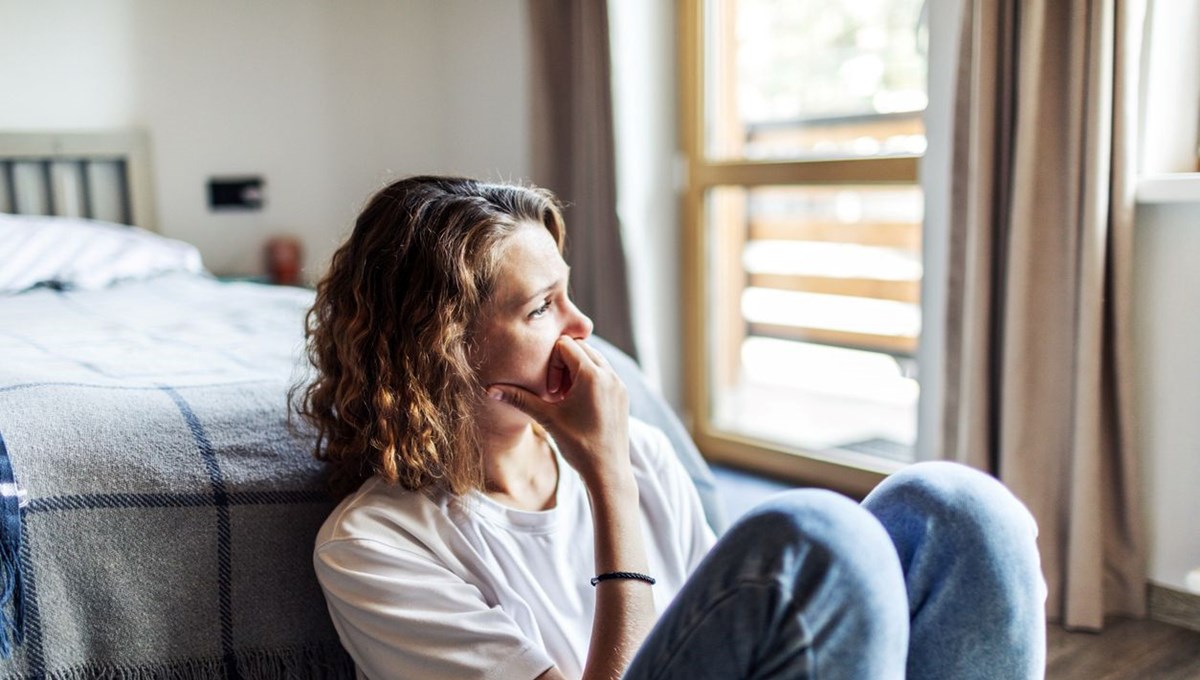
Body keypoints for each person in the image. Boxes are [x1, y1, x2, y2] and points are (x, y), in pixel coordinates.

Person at [295, 176, 1047, 680]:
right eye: (539, 308)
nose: (582, 326)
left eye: (570, 294)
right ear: (443, 347)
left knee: (954, 508)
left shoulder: (642, 450)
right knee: (817, 533)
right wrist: (608, 479)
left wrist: (618, 462)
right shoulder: (374, 546)